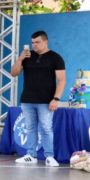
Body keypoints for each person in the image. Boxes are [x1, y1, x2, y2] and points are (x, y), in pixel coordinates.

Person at [10, 30, 65, 166]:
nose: (34, 45)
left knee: (46, 128)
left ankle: (49, 156)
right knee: (30, 128)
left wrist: (56, 99)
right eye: (32, 42)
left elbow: (62, 80)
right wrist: (20, 59)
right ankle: (31, 155)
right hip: (27, 100)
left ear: (45, 41)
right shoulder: (27, 57)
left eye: (37, 42)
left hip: (46, 101)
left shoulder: (55, 57)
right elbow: (13, 73)